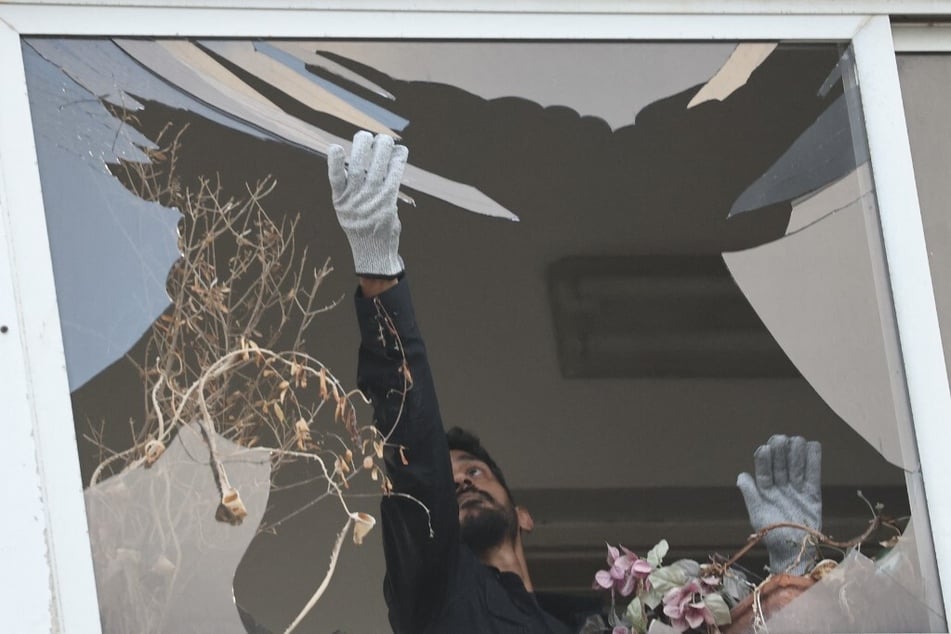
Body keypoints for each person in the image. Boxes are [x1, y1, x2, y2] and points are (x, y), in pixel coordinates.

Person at [327, 131, 823, 633]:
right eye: (450, 476)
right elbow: (413, 454)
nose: (459, 480)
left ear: (523, 515)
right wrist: (380, 278)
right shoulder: (438, 596)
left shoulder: (601, 623)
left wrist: (793, 570)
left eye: (475, 471)